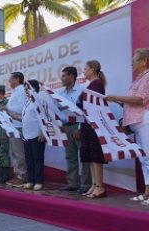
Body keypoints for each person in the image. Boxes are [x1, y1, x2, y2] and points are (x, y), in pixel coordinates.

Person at [105, 48, 149, 203]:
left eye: (134, 61)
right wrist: (115, 100)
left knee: (148, 157)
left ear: (144, 62)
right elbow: (131, 101)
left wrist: (117, 97)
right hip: (137, 122)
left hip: (145, 119)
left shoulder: (148, 76)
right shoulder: (138, 79)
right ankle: (146, 193)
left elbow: (140, 100)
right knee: (143, 159)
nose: (132, 64)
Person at [59, 66, 92, 193]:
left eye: (63, 76)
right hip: (66, 127)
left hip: (79, 127)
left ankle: (86, 184)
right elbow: (59, 111)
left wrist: (80, 127)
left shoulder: (82, 90)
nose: (61, 79)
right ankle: (72, 183)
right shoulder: (60, 94)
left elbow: (85, 110)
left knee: (84, 157)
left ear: (71, 76)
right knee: (70, 157)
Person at [80, 60, 107, 198]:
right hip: (87, 123)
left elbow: (93, 104)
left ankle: (99, 186)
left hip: (94, 124)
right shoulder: (90, 84)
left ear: (92, 69)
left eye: (85, 69)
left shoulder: (96, 83)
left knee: (96, 156)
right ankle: (94, 184)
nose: (83, 71)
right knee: (90, 156)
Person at [3, 72, 28, 188]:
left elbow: (22, 107)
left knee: (19, 152)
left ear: (17, 79)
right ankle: (18, 174)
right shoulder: (15, 92)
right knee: (14, 152)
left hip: (19, 124)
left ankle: (22, 176)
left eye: (11, 79)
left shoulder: (22, 90)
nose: (9, 82)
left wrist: (7, 108)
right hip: (12, 125)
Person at [20, 80, 46, 191]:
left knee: (37, 159)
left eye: (27, 88)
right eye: (25, 88)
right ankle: (30, 180)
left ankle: (39, 181)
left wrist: (42, 131)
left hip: (37, 134)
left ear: (34, 88)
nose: (25, 90)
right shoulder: (27, 102)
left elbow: (45, 117)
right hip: (26, 135)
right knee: (29, 159)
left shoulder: (40, 100)